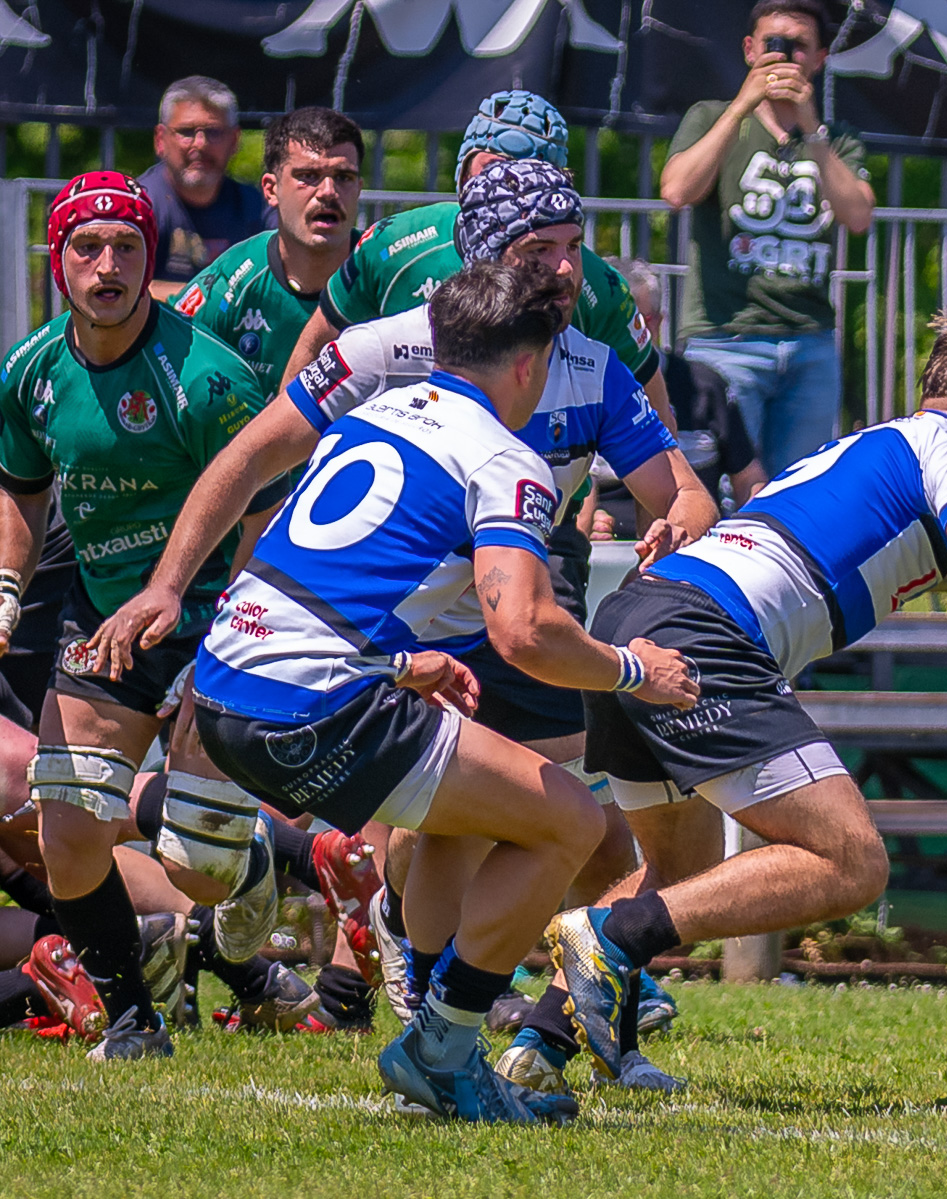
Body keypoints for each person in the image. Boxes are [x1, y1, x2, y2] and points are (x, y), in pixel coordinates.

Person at [493, 310, 947, 1094]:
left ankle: (544, 1039)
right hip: (704, 631)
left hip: (639, 613)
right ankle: (609, 932)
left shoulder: (879, 440)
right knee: (852, 860)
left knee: (680, 865)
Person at [91, 160, 716, 1047]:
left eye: (576, 247)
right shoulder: (393, 345)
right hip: (371, 626)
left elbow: (685, 492)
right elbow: (249, 454)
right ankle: (401, 964)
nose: (568, 270)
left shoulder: (595, 368)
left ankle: (478, 1017)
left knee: (571, 835)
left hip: (498, 624)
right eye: (542, 250)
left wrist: (678, 520)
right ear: (483, 255)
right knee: (212, 862)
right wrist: (168, 580)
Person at [191, 260, 700, 1124]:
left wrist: (398, 663)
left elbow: (328, 570)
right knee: (573, 820)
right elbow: (526, 631)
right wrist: (634, 669)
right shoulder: (509, 458)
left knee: (469, 816)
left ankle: (422, 1008)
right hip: (313, 704)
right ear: (530, 367)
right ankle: (444, 1044)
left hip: (223, 688)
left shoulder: (376, 411)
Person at [0, 173, 286, 1061]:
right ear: (59, 262)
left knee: (199, 857)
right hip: (104, 618)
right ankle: (132, 1017)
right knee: (69, 824)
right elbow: (20, 490)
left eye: (127, 247)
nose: (108, 265)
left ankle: (255, 866)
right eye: (87, 248)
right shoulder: (30, 372)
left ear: (149, 259)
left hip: (216, 618)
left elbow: (268, 521)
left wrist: (236, 634)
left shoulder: (207, 377)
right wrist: (7, 587)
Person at [279, 90, 669, 423]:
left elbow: (656, 420)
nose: (505, 192)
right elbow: (310, 356)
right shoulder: (395, 245)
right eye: (491, 171)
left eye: (526, 177)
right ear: (463, 172)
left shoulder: (595, 284)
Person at [659, 0, 875, 475]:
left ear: (820, 59)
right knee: (718, 491)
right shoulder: (712, 116)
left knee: (798, 495)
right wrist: (742, 105)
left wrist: (811, 126)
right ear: (749, 50)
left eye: (798, 47)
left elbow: (858, 215)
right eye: (772, 44)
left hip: (809, 343)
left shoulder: (835, 138)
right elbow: (676, 190)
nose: (784, 57)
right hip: (724, 340)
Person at [173, 107, 364, 395]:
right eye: (308, 175)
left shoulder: (385, 275)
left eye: (343, 176)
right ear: (271, 190)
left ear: (359, 188)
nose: (328, 191)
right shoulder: (232, 280)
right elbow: (165, 359)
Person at [584, 258, 769, 540]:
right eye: (611, 323)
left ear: (658, 320)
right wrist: (583, 521)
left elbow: (749, 480)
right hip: (602, 545)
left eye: (637, 322)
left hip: (690, 542)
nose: (624, 334)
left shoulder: (704, 385)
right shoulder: (577, 384)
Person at [138, 77, 275, 300]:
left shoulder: (257, 207)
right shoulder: (140, 205)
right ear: (160, 139)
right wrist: (215, 297)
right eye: (187, 131)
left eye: (213, 132)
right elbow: (123, 291)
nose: (200, 144)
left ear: (234, 140)